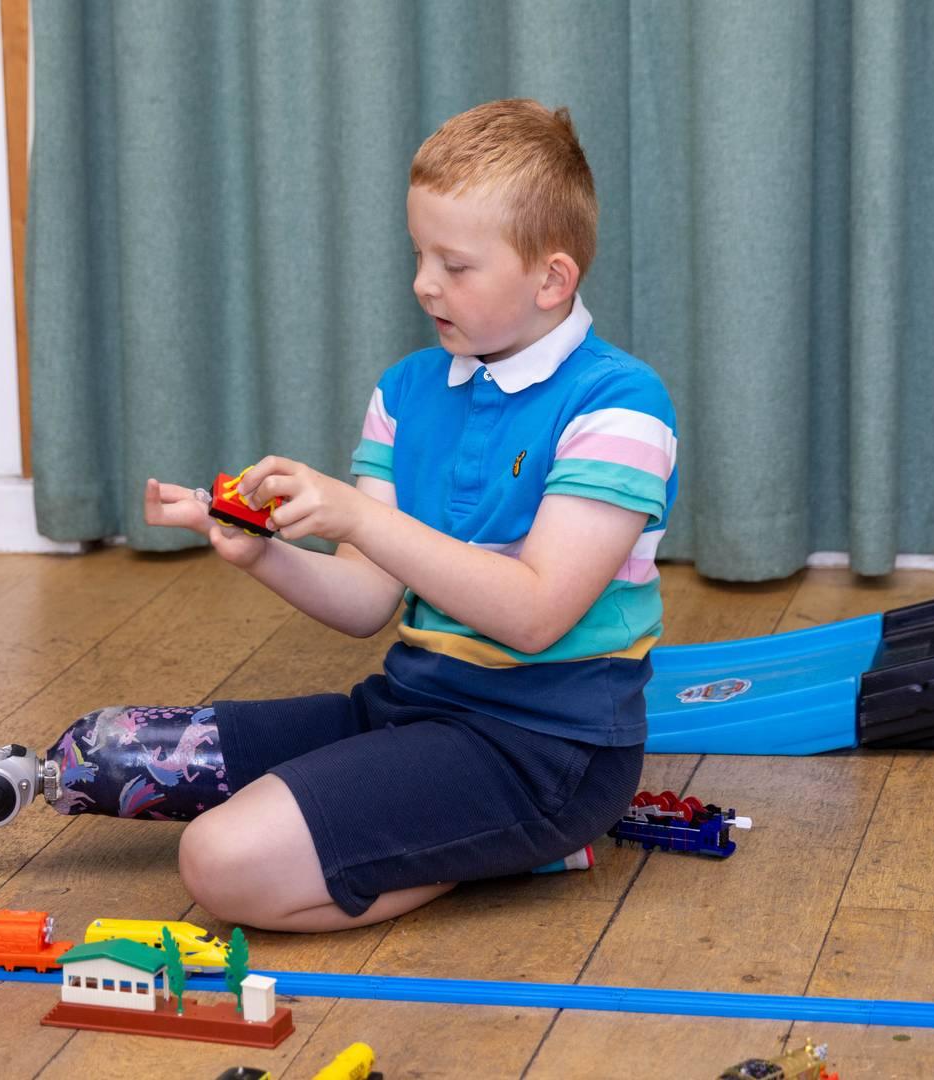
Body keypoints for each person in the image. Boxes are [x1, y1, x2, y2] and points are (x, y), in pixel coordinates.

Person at [50, 98, 679, 932]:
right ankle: (447, 834)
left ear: (551, 278)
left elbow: (535, 616)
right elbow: (366, 603)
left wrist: (355, 515)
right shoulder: (409, 389)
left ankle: (509, 843)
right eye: (419, 255)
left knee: (218, 862)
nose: (424, 283)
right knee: (104, 755)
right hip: (408, 710)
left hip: (544, 754)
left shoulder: (621, 407)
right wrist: (260, 552)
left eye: (455, 266)